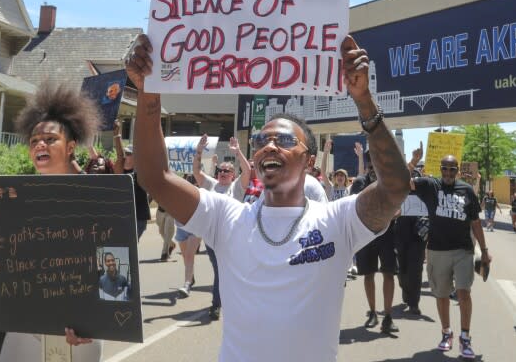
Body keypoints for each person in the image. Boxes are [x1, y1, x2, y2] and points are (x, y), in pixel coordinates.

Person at [126, 33, 410, 362]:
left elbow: (394, 188)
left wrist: (364, 101)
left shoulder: (338, 221)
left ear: (309, 161)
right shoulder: (225, 217)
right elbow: (155, 178)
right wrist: (148, 94)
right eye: (262, 139)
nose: (270, 146)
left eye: (285, 139)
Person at [0, 83, 102, 362]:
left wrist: (96, 319)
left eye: (50, 139)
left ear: (71, 146)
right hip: (17, 329)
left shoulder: (97, 202)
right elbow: (1, 260)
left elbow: (116, 267)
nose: (40, 143)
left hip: (75, 332)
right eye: (34, 140)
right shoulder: (8, 202)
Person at [412, 155, 490, 359]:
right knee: (442, 295)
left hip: (463, 250)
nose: (448, 173)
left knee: (464, 293)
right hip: (437, 251)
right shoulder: (430, 185)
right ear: (440, 169)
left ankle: (465, 337)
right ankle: (446, 333)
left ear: (457, 170)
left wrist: (485, 250)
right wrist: (413, 161)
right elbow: (405, 180)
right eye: (444, 169)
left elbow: (475, 222)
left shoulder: (467, 191)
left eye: (451, 169)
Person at [193, 134, 251, 320]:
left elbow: (248, 171)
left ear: (233, 175)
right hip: (212, 238)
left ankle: (235, 300)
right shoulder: (211, 184)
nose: (223, 172)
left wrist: (238, 152)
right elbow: (196, 171)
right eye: (221, 170)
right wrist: (199, 150)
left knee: (231, 271)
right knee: (220, 270)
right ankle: (216, 305)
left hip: (234, 238)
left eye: (227, 170)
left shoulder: (236, 187)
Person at [350, 145, 399, 333]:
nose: (373, 166)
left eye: (376, 162)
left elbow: (399, 207)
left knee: (388, 273)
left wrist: (391, 213)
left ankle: (387, 316)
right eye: (370, 163)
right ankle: (372, 312)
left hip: (387, 235)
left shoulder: (390, 182)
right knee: (368, 274)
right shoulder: (360, 182)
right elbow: (353, 206)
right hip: (366, 236)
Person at [395, 142, 428, 316]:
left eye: (420, 169)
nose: (417, 172)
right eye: (416, 169)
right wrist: (414, 160)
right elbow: (402, 178)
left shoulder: (427, 185)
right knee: (403, 269)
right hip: (401, 229)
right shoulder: (404, 183)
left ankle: (414, 303)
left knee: (416, 269)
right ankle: (405, 286)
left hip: (419, 232)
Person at [113, 120, 151, 241]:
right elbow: (120, 155)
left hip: (138, 218)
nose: (126, 156)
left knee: (130, 247)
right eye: (126, 154)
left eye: (129, 154)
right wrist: (117, 135)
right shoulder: (120, 172)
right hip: (123, 217)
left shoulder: (139, 173)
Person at [176, 174, 202, 297]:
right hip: (181, 228)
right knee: (185, 257)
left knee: (189, 256)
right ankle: (191, 277)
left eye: (193, 183)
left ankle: (186, 284)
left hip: (195, 229)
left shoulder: (202, 194)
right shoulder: (178, 194)